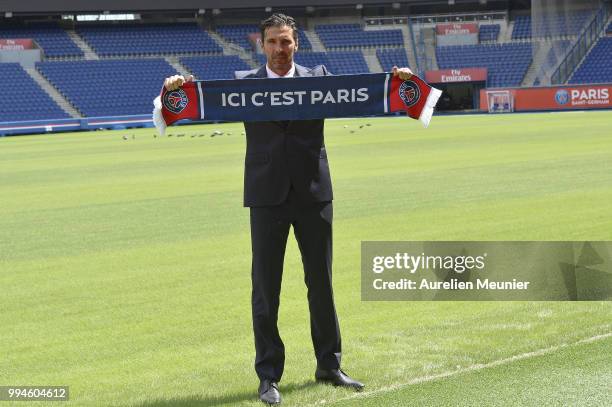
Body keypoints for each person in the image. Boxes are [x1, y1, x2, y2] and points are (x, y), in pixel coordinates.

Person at [164, 13, 413, 405]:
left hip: (314, 192)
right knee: (266, 289)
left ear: (297, 44)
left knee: (322, 284)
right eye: (273, 42)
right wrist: (175, 89)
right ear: (261, 45)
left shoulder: (319, 79)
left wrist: (396, 82)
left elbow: (364, 93)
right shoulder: (243, 86)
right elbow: (191, 102)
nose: (280, 49)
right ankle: (268, 377)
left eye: (287, 42)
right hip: (266, 195)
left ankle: (329, 365)